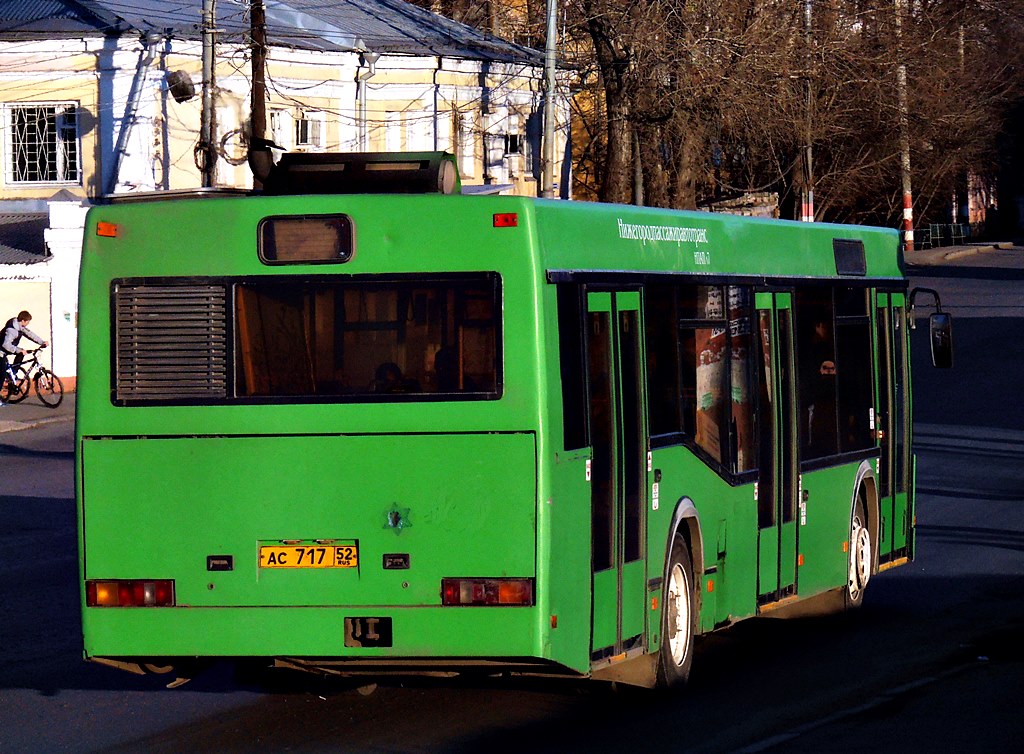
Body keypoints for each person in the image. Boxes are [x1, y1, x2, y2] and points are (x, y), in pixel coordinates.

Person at [1, 311, 48, 406]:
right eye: (27, 322)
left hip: (7, 349)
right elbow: (5, 345)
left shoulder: (20, 327)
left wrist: (42, 342)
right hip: (1, 351)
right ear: (23, 321)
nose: (28, 324)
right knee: (1, 375)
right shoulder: (12, 330)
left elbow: (31, 335)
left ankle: (13, 374)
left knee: (21, 353)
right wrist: (18, 350)